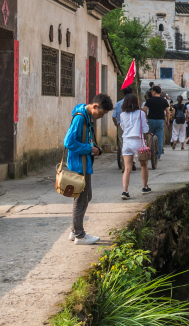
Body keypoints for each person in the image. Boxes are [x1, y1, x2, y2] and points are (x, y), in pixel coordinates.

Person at [64, 93, 113, 244]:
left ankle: (74, 230)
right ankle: (79, 235)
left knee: (85, 196)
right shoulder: (80, 118)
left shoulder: (86, 116)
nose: (102, 116)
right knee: (81, 198)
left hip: (84, 162)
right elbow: (68, 142)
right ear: (95, 106)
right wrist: (89, 149)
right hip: (80, 163)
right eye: (102, 113)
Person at [118, 89, 152, 198]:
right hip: (138, 142)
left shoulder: (122, 115)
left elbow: (122, 127)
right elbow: (145, 129)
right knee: (143, 165)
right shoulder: (141, 113)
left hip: (126, 142)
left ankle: (125, 191)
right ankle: (145, 187)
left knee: (127, 168)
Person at [145, 85, 169, 160]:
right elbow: (168, 112)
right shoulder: (164, 101)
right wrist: (167, 120)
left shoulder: (149, 100)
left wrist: (146, 116)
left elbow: (144, 109)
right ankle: (158, 155)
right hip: (160, 121)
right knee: (160, 138)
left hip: (151, 120)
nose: (151, 92)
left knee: (149, 137)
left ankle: (149, 153)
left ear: (154, 92)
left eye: (152, 91)